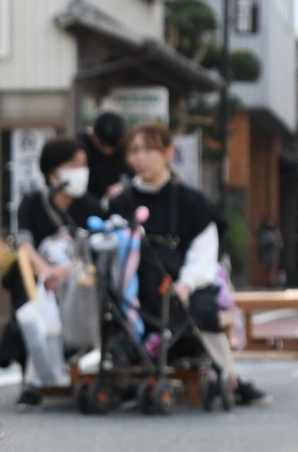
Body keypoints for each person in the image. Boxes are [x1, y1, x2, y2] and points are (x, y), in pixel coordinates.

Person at [107, 121, 267, 406]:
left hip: (188, 284)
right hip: (139, 287)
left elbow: (204, 253)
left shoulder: (193, 202)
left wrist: (185, 284)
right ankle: (128, 374)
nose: (140, 158)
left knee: (200, 310)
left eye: (148, 150)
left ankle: (228, 377)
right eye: (134, 151)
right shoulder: (121, 202)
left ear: (168, 152)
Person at [2, 137, 97, 407]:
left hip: (77, 276)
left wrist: (66, 272)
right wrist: (46, 273)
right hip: (37, 276)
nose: (81, 171)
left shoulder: (89, 205)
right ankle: (34, 379)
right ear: (54, 171)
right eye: (74, 165)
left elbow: (93, 249)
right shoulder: (32, 202)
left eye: (84, 165)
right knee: (37, 307)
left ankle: (40, 379)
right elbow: (24, 245)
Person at [80, 110, 130, 205]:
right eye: (103, 144)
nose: (108, 150)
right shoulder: (81, 146)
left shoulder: (127, 150)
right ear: (93, 134)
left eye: (113, 146)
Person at [259, 216, 286, 289]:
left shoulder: (276, 232)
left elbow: (280, 243)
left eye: (272, 221)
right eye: (269, 221)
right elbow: (261, 242)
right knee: (264, 269)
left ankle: (272, 284)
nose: (271, 223)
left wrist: (275, 243)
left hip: (274, 253)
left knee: (273, 269)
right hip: (265, 253)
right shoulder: (263, 231)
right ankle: (263, 284)